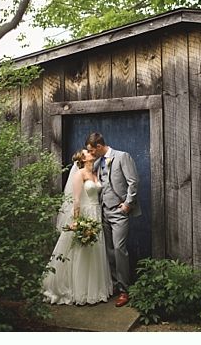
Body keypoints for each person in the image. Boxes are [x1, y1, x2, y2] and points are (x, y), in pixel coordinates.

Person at [43, 149, 112, 305]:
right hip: (85, 214)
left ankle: (94, 289)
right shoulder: (79, 174)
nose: (90, 152)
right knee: (81, 250)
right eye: (87, 152)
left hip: (96, 213)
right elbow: (76, 200)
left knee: (95, 250)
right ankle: (79, 291)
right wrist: (77, 221)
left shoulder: (96, 173)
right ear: (83, 158)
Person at [85, 132, 140, 308]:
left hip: (119, 211)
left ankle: (124, 290)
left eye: (92, 151)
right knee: (108, 250)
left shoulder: (122, 156)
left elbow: (133, 181)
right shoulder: (97, 162)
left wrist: (127, 204)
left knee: (118, 249)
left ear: (99, 147)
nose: (91, 154)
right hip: (103, 211)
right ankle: (115, 285)